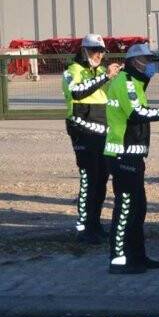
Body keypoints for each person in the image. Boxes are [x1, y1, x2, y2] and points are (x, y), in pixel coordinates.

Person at [103, 43, 159, 274]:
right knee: (125, 208)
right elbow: (137, 113)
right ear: (134, 62)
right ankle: (118, 260)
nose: (150, 66)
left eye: (151, 61)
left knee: (138, 209)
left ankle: (137, 256)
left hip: (133, 155)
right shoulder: (125, 82)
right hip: (122, 155)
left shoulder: (136, 83)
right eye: (147, 61)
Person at [62, 34, 121, 243]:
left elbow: (113, 93)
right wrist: (105, 77)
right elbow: (76, 93)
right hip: (82, 130)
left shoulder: (102, 71)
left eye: (102, 51)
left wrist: (117, 76)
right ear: (84, 50)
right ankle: (84, 228)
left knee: (101, 178)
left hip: (102, 130)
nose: (99, 55)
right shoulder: (72, 71)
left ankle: (94, 224)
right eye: (95, 50)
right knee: (89, 178)